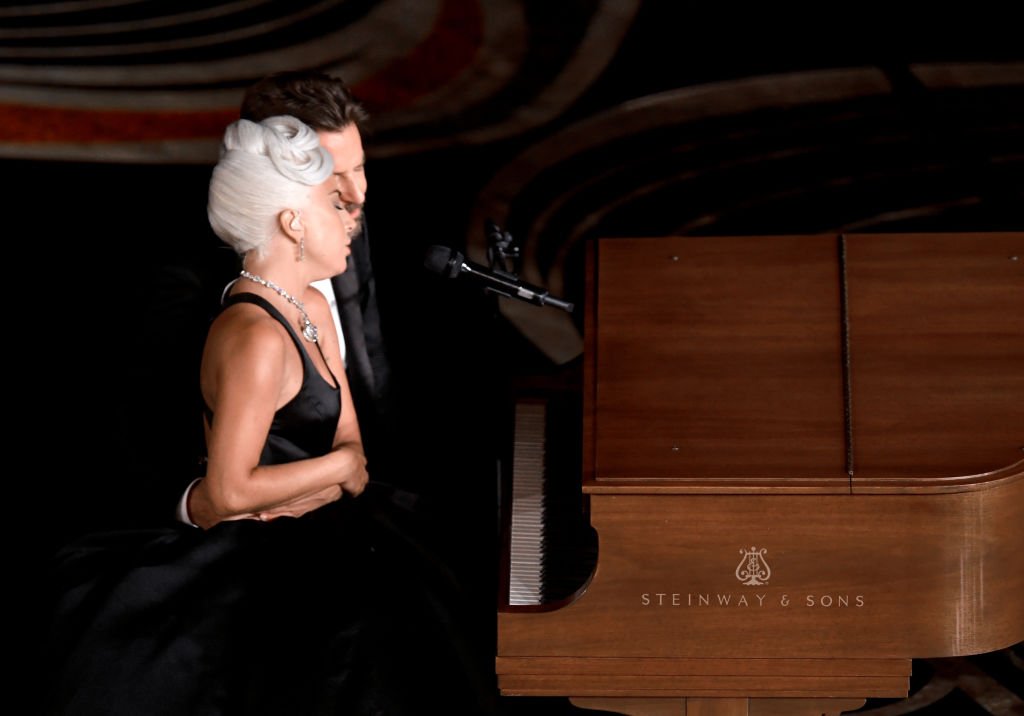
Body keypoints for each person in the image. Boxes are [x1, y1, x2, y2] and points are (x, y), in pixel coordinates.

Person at [42, 116, 494, 715]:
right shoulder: (254, 336)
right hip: (257, 552)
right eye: (336, 204)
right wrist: (334, 471)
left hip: (329, 522)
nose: (353, 216)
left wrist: (339, 470)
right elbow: (226, 493)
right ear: (293, 222)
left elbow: (355, 449)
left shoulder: (309, 304)